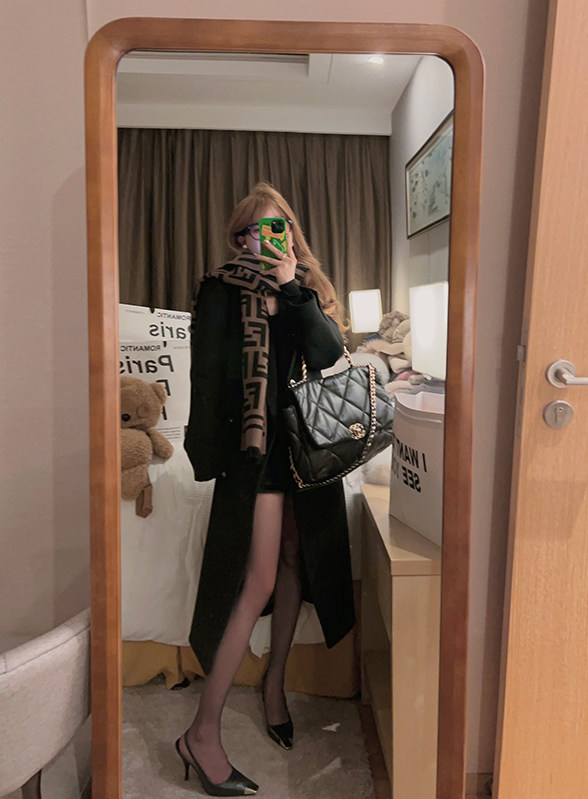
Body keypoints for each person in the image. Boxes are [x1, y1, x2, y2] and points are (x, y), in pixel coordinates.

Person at [176, 183, 355, 796]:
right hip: (257, 454)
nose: (264, 239)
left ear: (291, 233)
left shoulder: (305, 287)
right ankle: (202, 732)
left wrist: (291, 288)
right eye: (252, 231)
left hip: (306, 447)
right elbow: (208, 378)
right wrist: (216, 458)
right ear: (237, 239)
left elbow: (328, 354)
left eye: (276, 228)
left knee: (293, 565)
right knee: (255, 582)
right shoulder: (220, 290)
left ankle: (275, 684)